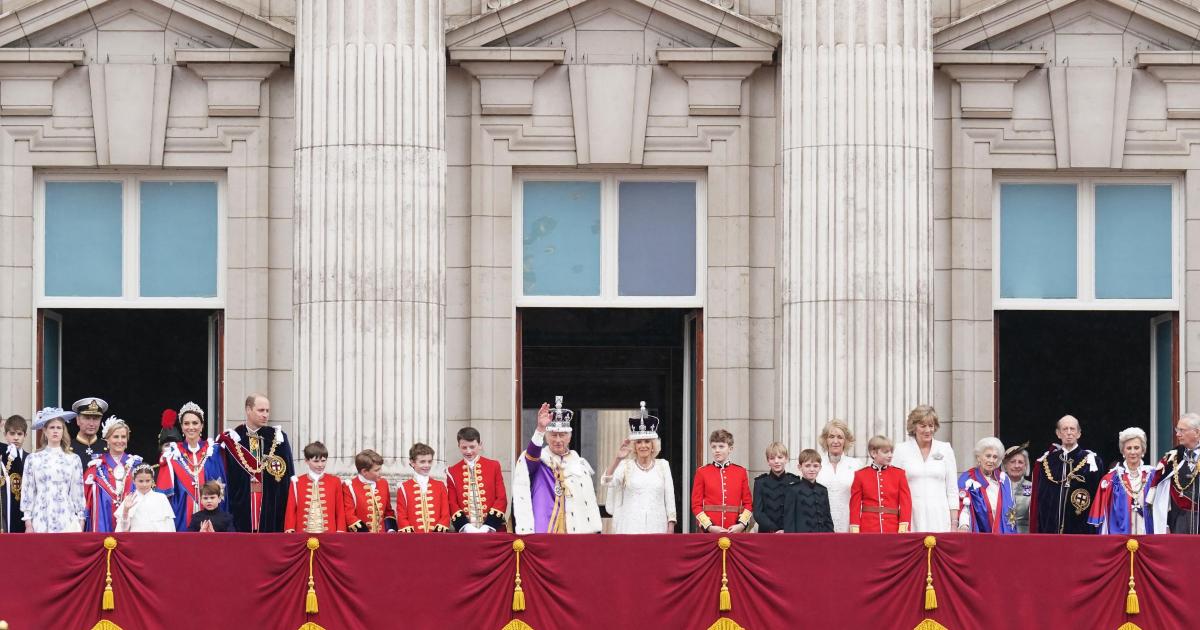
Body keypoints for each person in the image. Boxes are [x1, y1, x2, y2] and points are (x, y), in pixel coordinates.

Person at [511, 398, 602, 534]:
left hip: (575, 531)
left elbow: (588, 501)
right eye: (553, 435)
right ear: (546, 437)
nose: (558, 440)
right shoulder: (540, 460)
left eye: (562, 435)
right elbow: (530, 456)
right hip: (545, 527)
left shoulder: (580, 465)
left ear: (569, 437)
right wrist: (540, 429)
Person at [219, 394, 294, 533]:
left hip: (271, 506)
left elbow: (289, 476)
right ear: (248, 409)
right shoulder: (234, 438)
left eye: (267, 411)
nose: (265, 415)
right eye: (261, 410)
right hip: (241, 506)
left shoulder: (278, 437)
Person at [601, 404, 676, 534]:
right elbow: (606, 481)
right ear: (634, 446)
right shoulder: (625, 465)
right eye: (639, 442)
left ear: (653, 445)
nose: (643, 446)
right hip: (630, 526)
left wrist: (671, 524)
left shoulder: (663, 465)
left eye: (647, 441)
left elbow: (669, 497)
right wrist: (617, 459)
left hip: (657, 525)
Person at [157, 402, 227, 531]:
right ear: (182, 427)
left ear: (202, 426)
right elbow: (163, 495)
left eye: (195, 423)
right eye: (186, 423)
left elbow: (222, 488)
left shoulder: (213, 451)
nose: (191, 427)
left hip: (210, 513)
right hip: (181, 515)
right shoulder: (172, 453)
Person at [1029, 415, 1103, 534]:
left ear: (1079, 433)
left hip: (1081, 529)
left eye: (1072, 429)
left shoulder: (1092, 462)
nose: (1069, 433)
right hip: (1050, 530)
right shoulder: (1047, 462)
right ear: (1058, 434)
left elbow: (1098, 500)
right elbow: (1040, 499)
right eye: (1065, 429)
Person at [892, 405, 958, 532]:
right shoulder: (901, 450)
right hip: (910, 516)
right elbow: (894, 489)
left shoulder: (945, 449)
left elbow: (952, 489)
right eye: (923, 426)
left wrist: (954, 523)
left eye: (931, 425)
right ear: (914, 427)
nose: (928, 430)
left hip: (940, 516)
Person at [21, 408, 85, 533]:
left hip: (67, 517)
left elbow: (77, 491)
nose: (55, 431)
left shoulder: (73, 459)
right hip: (40, 517)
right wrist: (28, 522)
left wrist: (81, 519)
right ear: (44, 430)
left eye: (59, 427)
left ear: (63, 431)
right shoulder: (33, 459)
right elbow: (28, 491)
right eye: (51, 427)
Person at [1091, 428, 1156, 535]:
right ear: (1123, 451)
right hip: (1120, 537)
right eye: (1129, 448)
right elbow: (1103, 517)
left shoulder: (1153, 476)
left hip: (1147, 535)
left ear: (1143, 450)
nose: (1133, 452)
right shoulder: (1112, 479)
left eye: (1136, 448)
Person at [84, 417, 144, 533]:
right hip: (104, 521)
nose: (120, 440)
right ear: (107, 439)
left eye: (123, 437)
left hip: (132, 524)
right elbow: (86, 501)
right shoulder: (96, 468)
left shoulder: (136, 466)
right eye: (116, 436)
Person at [446, 427, 507, 533]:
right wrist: (465, 526)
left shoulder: (494, 466)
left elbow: (501, 498)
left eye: (472, 447)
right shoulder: (451, 471)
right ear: (459, 446)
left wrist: (489, 525)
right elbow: (452, 503)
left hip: (493, 530)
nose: (468, 451)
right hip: (465, 533)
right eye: (464, 447)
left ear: (480, 444)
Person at [691, 429, 752, 533]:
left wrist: (741, 525)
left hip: (734, 529)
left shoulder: (740, 472)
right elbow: (696, 505)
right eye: (714, 447)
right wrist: (709, 526)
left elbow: (748, 503)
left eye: (721, 446)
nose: (717, 450)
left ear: (730, 449)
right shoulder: (702, 472)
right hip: (710, 531)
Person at [849, 435, 911, 534]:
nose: (890, 455)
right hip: (868, 527)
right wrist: (855, 528)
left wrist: (903, 525)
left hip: (892, 527)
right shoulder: (860, 475)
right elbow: (855, 505)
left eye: (891, 452)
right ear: (874, 453)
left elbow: (906, 502)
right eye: (886, 452)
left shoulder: (899, 474)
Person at [1151, 413, 1200, 534]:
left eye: (1182, 430)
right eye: (1177, 430)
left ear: (1197, 433)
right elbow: (1160, 490)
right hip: (1178, 520)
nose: (1177, 434)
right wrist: (1164, 523)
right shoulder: (1172, 457)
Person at [284, 441, 347, 534]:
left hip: (330, 534)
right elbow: (291, 508)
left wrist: (340, 530)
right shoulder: (296, 482)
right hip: (302, 534)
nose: (320, 465)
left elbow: (340, 509)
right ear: (306, 461)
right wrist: (289, 527)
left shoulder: (335, 481)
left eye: (323, 460)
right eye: (316, 461)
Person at [957, 437, 1016, 534]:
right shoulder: (968, 478)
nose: (991, 460)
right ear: (978, 457)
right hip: (979, 535)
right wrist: (964, 525)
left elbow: (1011, 511)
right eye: (988, 456)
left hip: (1002, 536)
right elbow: (964, 507)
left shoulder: (1004, 479)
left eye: (995, 457)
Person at [815, 419, 864, 532]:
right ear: (825, 440)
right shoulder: (816, 464)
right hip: (820, 525)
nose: (835, 441)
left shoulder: (856, 465)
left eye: (840, 437)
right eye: (831, 437)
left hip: (848, 525)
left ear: (846, 441)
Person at [396, 443, 450, 533]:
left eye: (429, 461)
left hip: (437, 537)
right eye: (422, 462)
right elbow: (401, 515)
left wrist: (439, 531)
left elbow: (445, 513)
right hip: (414, 539)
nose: (427, 465)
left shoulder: (440, 486)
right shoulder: (403, 487)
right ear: (412, 463)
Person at [343, 449, 397, 533]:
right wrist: (367, 535)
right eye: (376, 470)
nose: (381, 472)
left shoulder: (383, 483)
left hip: (383, 538)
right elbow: (349, 516)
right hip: (360, 538)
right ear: (364, 472)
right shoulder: (349, 486)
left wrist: (391, 529)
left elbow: (388, 511)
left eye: (380, 469)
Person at [752, 442, 800, 533]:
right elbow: (758, 513)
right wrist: (774, 529)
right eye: (772, 458)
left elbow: (798, 511)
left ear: (786, 459)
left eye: (780, 457)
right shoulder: (760, 482)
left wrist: (786, 530)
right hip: (767, 533)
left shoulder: (795, 481)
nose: (776, 461)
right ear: (768, 461)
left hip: (789, 533)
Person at [786, 449, 834, 533]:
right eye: (807, 466)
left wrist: (831, 537)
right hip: (801, 541)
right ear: (800, 467)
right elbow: (789, 521)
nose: (812, 469)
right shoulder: (793, 490)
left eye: (815, 466)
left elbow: (827, 518)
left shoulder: (823, 490)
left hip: (822, 539)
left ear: (820, 467)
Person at [116, 465, 175, 532]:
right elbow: (123, 530)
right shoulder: (129, 499)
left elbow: (169, 526)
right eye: (140, 481)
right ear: (134, 481)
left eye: (148, 481)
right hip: (136, 541)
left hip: (158, 541)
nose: (144, 484)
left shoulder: (161, 498)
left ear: (152, 481)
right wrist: (125, 510)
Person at [2, 414, 29, 532]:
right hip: (6, 510)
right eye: (12, 434)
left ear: (25, 435)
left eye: (19, 434)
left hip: (25, 512)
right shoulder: (2, 459)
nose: (16, 438)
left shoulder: (30, 458)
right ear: (5, 435)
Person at [69, 397, 108, 469]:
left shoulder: (108, 447)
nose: (91, 424)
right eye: (87, 418)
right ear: (78, 420)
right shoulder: (67, 447)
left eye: (96, 419)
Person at [1002, 444, 1033, 533]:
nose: (1016, 466)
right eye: (1012, 462)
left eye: (1020, 462)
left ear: (1025, 466)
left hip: (1025, 536)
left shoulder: (1033, 487)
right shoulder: (998, 486)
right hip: (1002, 534)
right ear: (1005, 466)